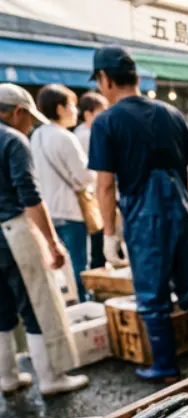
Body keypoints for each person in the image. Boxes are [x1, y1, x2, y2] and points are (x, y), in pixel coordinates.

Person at [89, 46, 188, 383]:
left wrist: (108, 235)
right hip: (181, 210)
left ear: (105, 79)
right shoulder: (171, 113)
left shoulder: (106, 122)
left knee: (152, 295)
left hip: (144, 219)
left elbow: (105, 186)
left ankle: (165, 366)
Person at [0, 83, 88, 395]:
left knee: (2, 307)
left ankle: (7, 377)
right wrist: (52, 242)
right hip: (14, 230)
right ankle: (51, 378)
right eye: (28, 118)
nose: (30, 125)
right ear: (18, 112)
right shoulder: (13, 140)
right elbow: (29, 196)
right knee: (37, 303)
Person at [31, 84, 94, 303]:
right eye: (72, 106)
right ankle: (84, 302)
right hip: (70, 210)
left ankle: (71, 302)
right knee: (79, 264)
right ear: (59, 108)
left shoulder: (36, 136)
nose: (75, 111)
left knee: (62, 267)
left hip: (49, 210)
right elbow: (85, 176)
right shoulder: (65, 137)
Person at [74, 91, 108, 268]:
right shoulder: (86, 135)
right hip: (93, 193)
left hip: (93, 193)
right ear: (88, 113)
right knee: (97, 241)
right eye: (100, 112)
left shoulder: (80, 133)